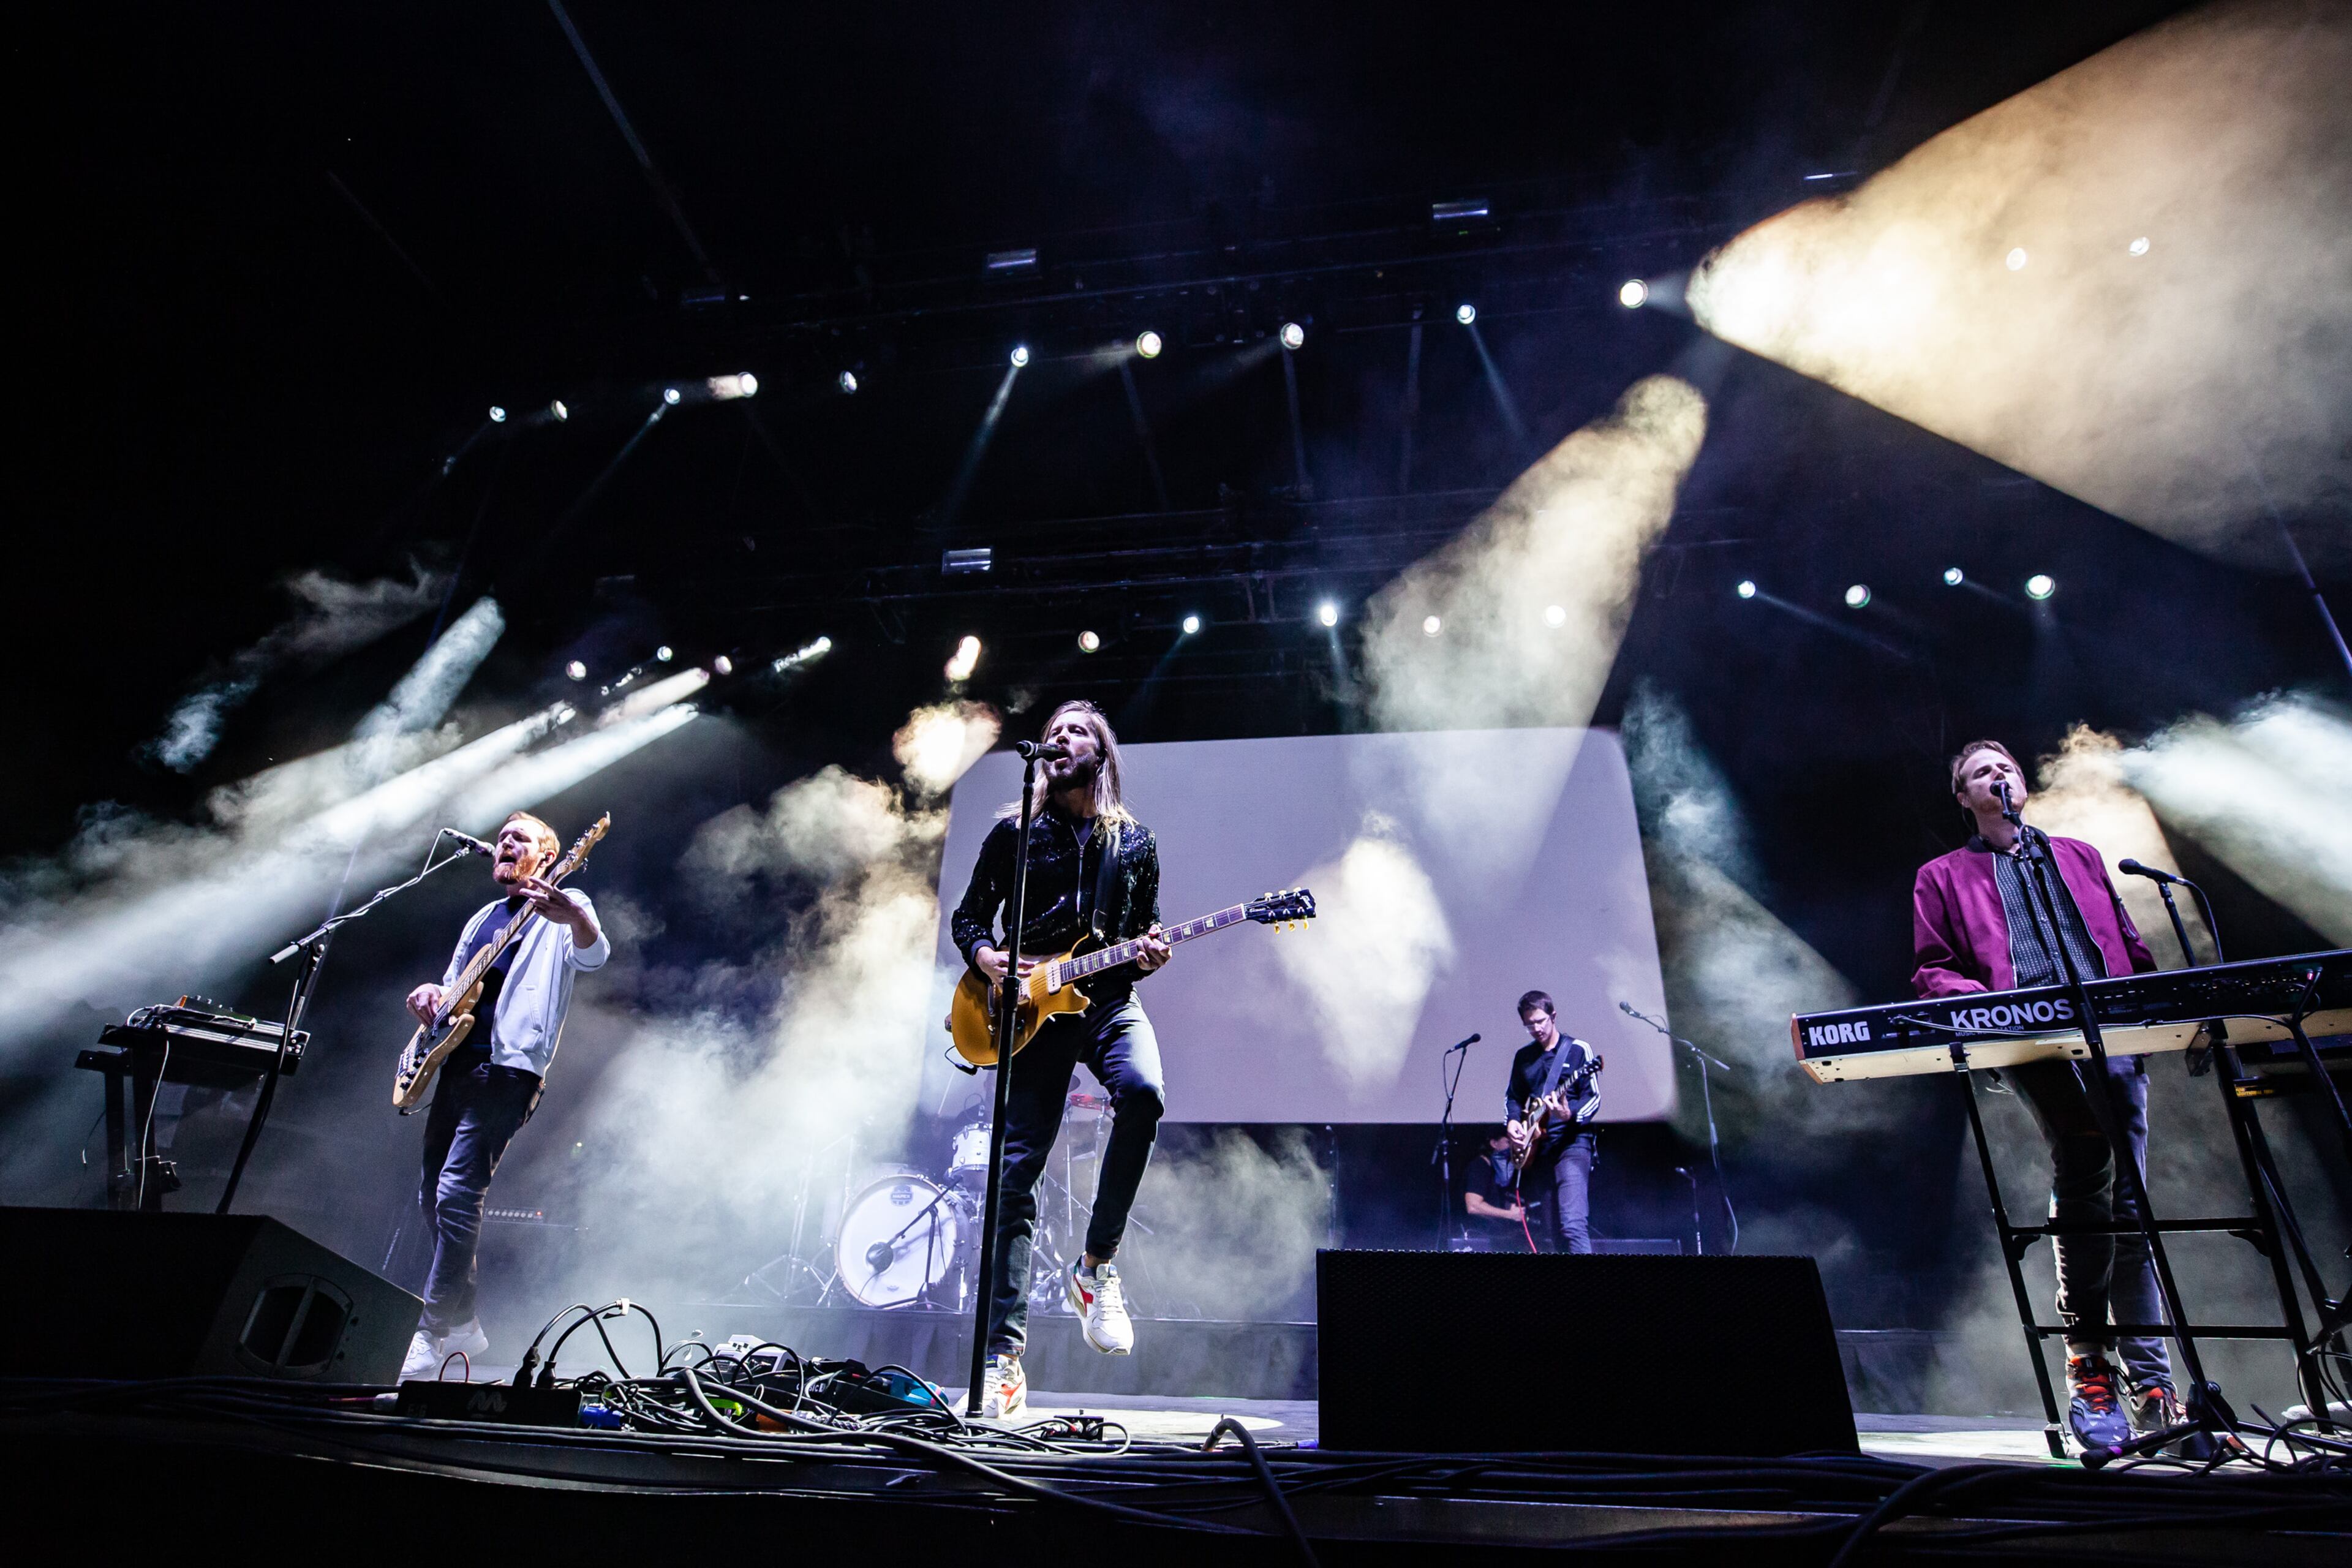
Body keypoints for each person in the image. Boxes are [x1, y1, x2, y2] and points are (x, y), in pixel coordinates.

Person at [1913, 739, 2174, 1452]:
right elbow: (1933, 970)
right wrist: (1994, 1004)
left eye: (2005, 768)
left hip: (2113, 1035)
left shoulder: (2080, 856)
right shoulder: (1943, 876)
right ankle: (2088, 1365)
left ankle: (2152, 1387)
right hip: (2031, 1039)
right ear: (1964, 799)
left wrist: (2157, 1011)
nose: (1997, 778)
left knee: (2129, 1208)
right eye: (1978, 775)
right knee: (2087, 1158)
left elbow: (2125, 941)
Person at [950, 700, 1172, 1419]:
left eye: (1077, 731)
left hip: (1105, 1000)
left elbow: (1139, 940)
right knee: (1017, 1173)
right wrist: (992, 962)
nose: (1061, 738)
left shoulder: (1134, 842)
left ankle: (1095, 1267)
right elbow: (968, 919)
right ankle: (1002, 1359)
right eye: (1054, 731)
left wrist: (1151, 954)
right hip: (1029, 1013)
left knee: (1144, 1092)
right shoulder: (1014, 832)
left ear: (1101, 753)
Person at [396, 812, 609, 1381]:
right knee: (430, 1196)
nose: (504, 845)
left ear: (548, 854)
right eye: (500, 840)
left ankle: (435, 1330)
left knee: (457, 1194)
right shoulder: (483, 919)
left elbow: (594, 955)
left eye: (519, 839)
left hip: (509, 1072)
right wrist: (429, 995)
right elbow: (450, 993)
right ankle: (464, 1322)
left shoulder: (563, 904)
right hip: (456, 1065)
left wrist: (578, 919)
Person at [1502, 990, 1601, 1254]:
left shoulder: (1579, 1050)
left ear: (1553, 1016)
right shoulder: (1524, 1058)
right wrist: (1513, 1121)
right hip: (1539, 1149)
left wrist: (1570, 1115)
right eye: (1529, 1024)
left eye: (1541, 1021)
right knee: (1552, 1231)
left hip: (1572, 1145)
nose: (1536, 1028)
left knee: (1573, 1225)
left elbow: (1593, 1098)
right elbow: (1513, 1098)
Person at [1461, 1134, 1528, 1248]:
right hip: (1476, 1237)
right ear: (1494, 1144)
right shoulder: (1480, 1167)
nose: (1513, 1146)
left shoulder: (1497, 1170)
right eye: (1508, 1142)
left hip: (1493, 1235)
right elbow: (1473, 1206)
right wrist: (1510, 1215)